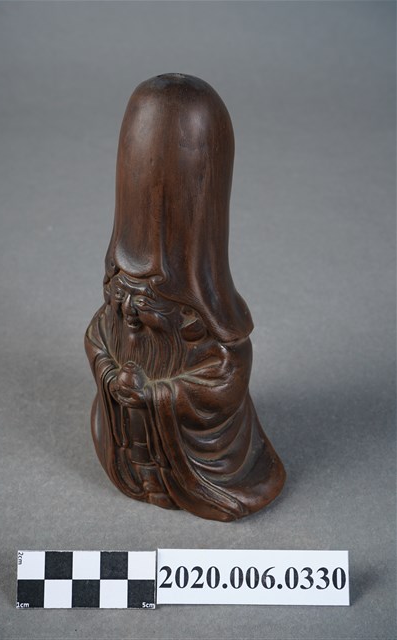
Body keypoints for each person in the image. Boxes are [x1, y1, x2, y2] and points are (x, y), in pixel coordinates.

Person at [85, 74, 285, 521]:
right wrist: (112, 377)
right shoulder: (118, 308)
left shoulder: (208, 331)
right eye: (123, 297)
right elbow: (98, 337)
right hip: (131, 435)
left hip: (188, 439)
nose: (131, 313)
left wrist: (157, 393)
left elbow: (223, 380)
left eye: (149, 302)